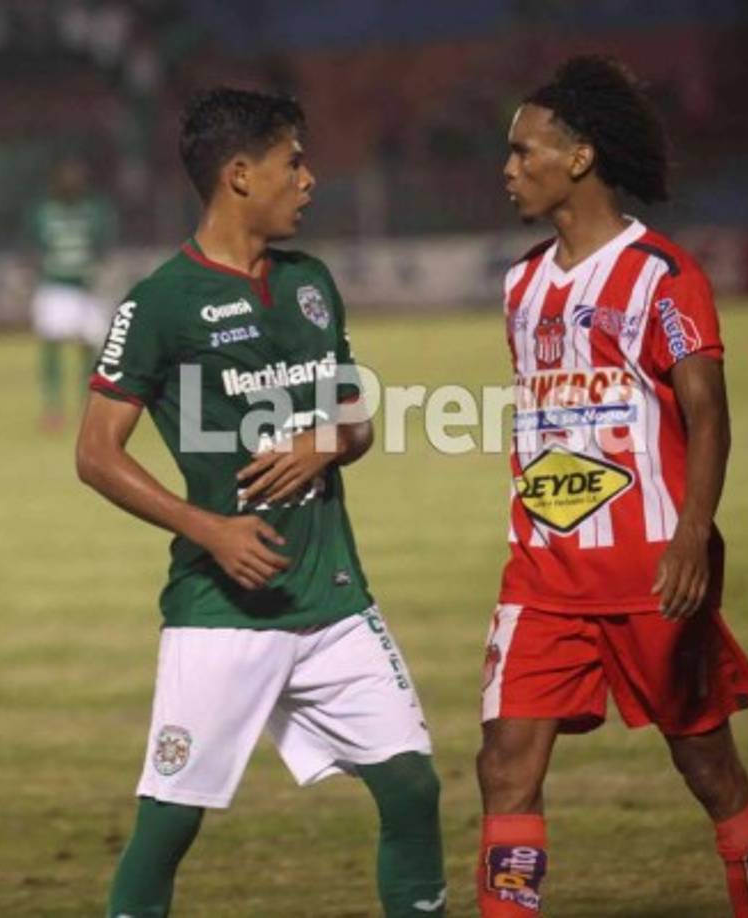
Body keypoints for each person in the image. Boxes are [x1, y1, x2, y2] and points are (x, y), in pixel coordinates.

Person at [76, 87, 445, 917]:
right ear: (240, 175)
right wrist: (209, 529)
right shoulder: (159, 303)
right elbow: (95, 454)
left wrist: (328, 439)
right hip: (222, 610)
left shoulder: (312, 284)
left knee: (413, 789)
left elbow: (355, 420)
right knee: (169, 823)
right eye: (295, 162)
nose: (310, 180)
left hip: (334, 599)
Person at [475, 56, 748, 917]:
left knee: (709, 767)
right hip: (541, 571)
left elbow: (709, 415)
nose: (506, 170)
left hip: (651, 571)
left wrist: (692, 534)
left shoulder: (662, 274)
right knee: (504, 766)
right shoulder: (521, 285)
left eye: (521, 151)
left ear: (578, 158)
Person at [30, 158, 115, 431]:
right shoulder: (43, 211)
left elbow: (103, 245)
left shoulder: (95, 210)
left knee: (91, 348)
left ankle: (86, 404)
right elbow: (33, 245)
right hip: (54, 286)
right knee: (52, 346)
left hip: (84, 289)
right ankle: (53, 407)